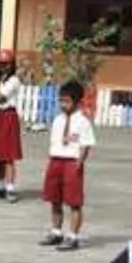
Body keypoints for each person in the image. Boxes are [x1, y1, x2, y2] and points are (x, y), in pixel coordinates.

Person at [41, 80, 96, 251]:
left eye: (66, 101)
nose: (62, 104)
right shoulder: (57, 120)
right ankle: (56, 232)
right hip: (56, 160)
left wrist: (79, 163)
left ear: (77, 102)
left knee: (74, 202)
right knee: (54, 199)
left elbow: (86, 144)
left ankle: (73, 236)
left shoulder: (83, 122)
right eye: (61, 100)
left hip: (71, 163)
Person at [0, 49, 24, 200]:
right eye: (0, 63)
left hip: (8, 116)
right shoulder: (1, 78)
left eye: (6, 63)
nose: (3, 66)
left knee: (8, 154)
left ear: (12, 64)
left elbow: (1, 97)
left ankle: (10, 187)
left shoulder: (14, 80)